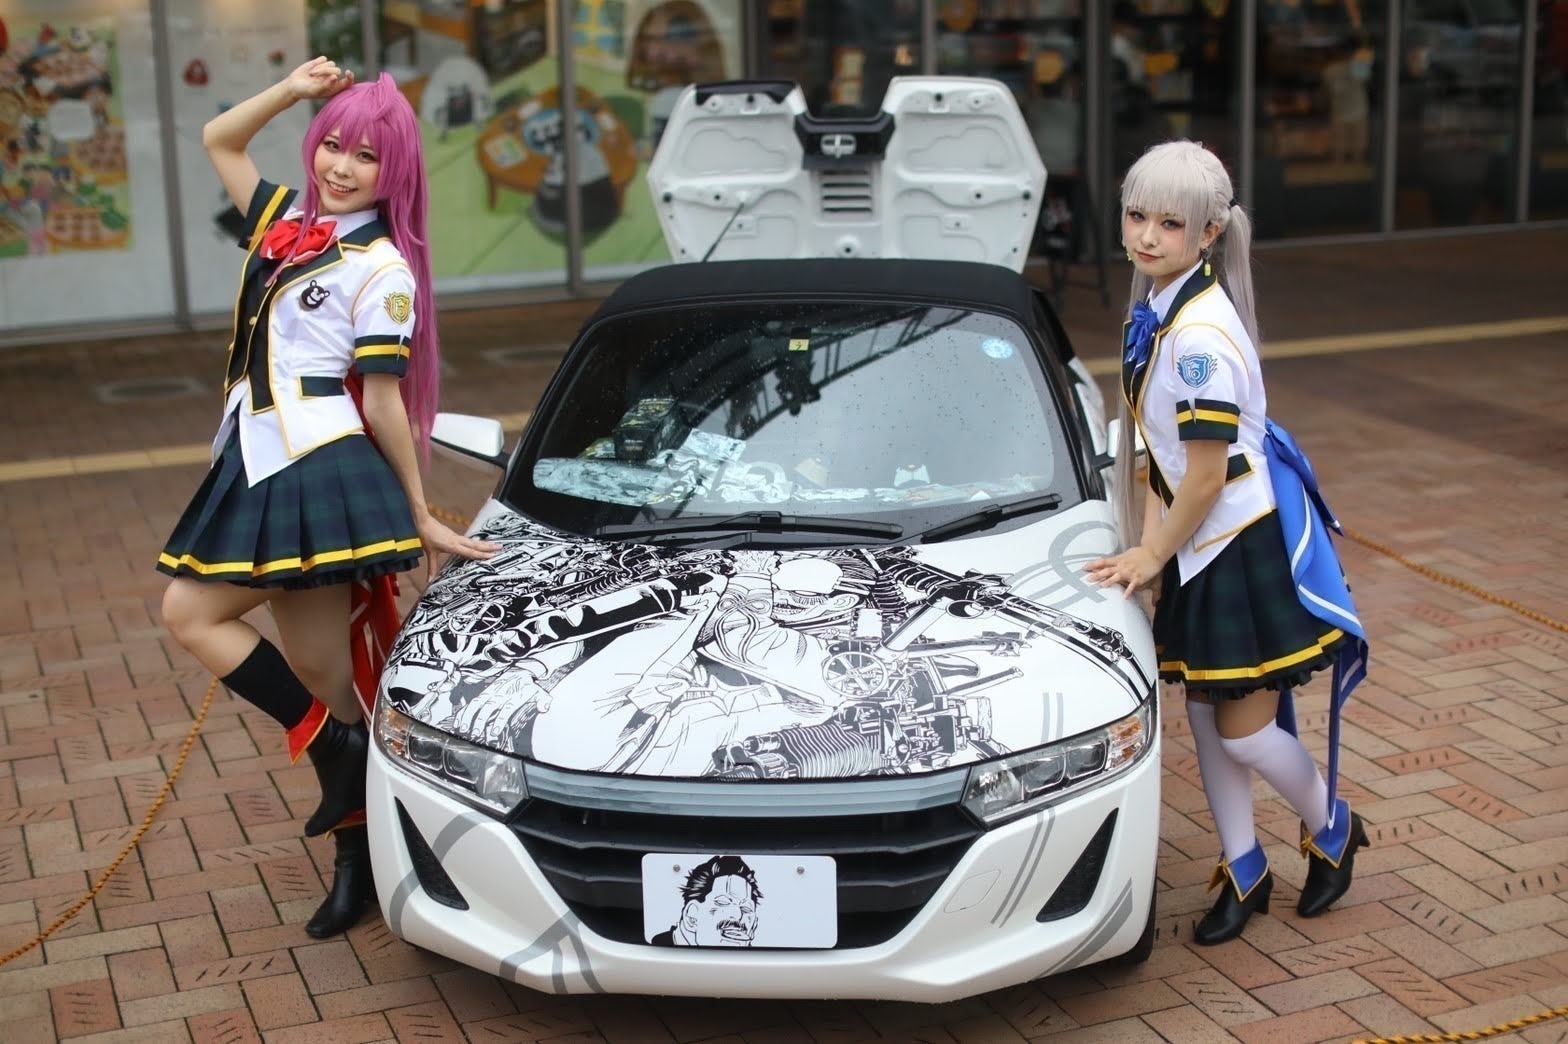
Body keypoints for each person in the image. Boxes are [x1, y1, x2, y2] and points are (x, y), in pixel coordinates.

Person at [156, 57, 497, 938]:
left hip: (315, 461)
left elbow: (382, 400)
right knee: (322, 678)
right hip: (257, 457)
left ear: (396, 172)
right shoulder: (284, 224)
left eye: (366, 156)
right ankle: (357, 828)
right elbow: (219, 140)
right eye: (333, 146)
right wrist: (293, 91)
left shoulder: (383, 269)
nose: (341, 167)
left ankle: (348, 783)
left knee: (194, 614)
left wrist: (418, 511)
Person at [1086, 140, 1368, 945]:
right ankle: (1244, 867)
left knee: (1243, 728)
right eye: (1136, 216)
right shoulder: (1163, 308)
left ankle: (1334, 825)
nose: (1147, 236)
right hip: (1198, 541)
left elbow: (1206, 477)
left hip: (1236, 544)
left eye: (1170, 223)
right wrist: (1152, 549)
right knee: (1209, 717)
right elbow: (1162, 462)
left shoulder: (1199, 333)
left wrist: (1151, 555)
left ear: (1209, 232)